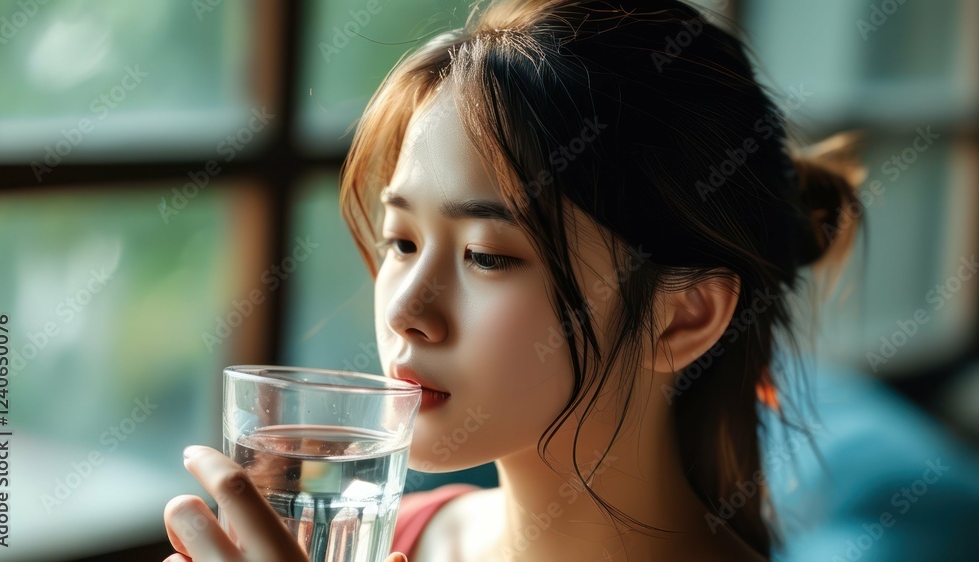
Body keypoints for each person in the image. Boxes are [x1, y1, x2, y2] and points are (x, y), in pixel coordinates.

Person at [161, 0, 862, 560]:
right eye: (402, 241)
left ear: (683, 317)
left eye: (488, 256)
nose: (406, 311)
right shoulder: (387, 541)